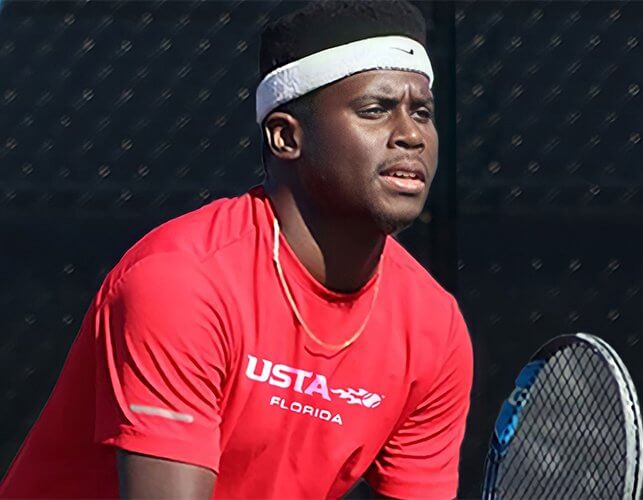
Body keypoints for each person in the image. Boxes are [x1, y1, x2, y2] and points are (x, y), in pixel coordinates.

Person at [0, 1, 473, 498]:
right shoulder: (181, 283)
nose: (411, 135)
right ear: (286, 137)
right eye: (375, 110)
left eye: (422, 113)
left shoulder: (434, 328)